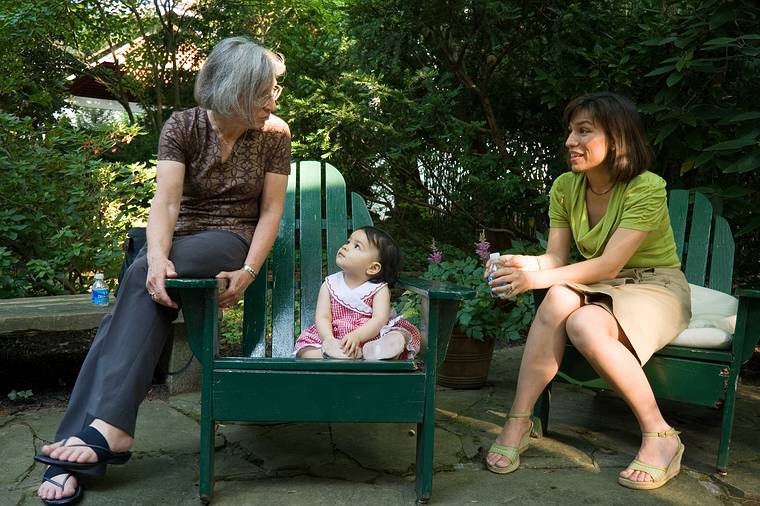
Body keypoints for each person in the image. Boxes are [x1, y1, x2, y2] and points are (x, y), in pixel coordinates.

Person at [34, 36, 291, 505]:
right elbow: (167, 202)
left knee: (138, 279)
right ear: (235, 88)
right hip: (181, 236)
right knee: (132, 294)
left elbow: (271, 211)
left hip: (229, 239)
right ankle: (84, 442)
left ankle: (98, 433)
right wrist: (155, 257)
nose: (274, 99)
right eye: (266, 90)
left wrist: (251, 269)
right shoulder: (182, 126)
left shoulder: (275, 133)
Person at [484, 92, 691, 491]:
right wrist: (522, 264)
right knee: (562, 298)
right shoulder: (566, 187)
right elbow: (556, 258)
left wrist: (536, 280)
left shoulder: (645, 187)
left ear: (617, 138)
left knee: (581, 322)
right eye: (569, 132)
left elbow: (610, 263)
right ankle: (519, 420)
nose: (569, 142)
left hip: (655, 284)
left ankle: (660, 436)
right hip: (604, 285)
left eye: (583, 131)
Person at [293, 226, 421, 360]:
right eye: (348, 242)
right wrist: (329, 339)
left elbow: (379, 320)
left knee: (398, 335)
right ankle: (333, 353)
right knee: (305, 351)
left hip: (370, 337)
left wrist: (357, 336)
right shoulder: (329, 284)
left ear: (373, 268)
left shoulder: (378, 289)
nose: (345, 247)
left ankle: (377, 350)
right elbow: (323, 317)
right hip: (335, 337)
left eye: (357, 246)